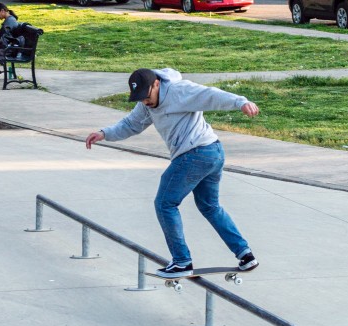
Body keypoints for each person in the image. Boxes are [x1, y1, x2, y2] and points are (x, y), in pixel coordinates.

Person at [85, 68, 261, 278]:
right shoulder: (146, 103)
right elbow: (131, 124)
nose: (145, 103)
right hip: (212, 152)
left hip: (195, 153)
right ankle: (245, 254)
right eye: (140, 99)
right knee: (209, 206)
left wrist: (240, 102)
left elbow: (211, 95)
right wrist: (104, 134)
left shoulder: (180, 90)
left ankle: (181, 261)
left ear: (157, 84)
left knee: (165, 203)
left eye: (147, 97)